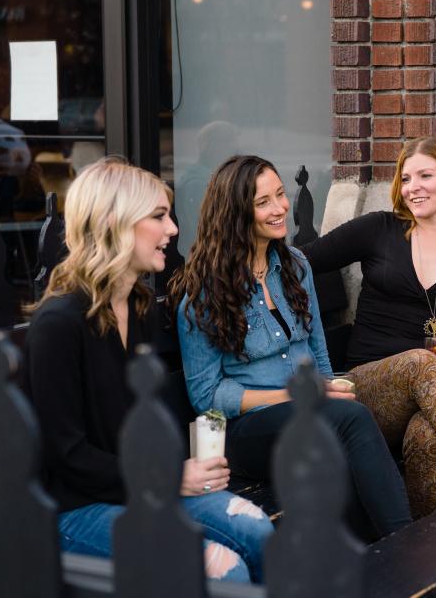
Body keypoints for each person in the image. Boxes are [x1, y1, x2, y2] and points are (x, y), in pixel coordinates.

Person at [25, 157, 272, 583]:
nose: (173, 230)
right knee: (222, 570)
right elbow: (66, 455)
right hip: (75, 509)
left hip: (146, 488)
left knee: (260, 532)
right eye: (158, 216)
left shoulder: (139, 306)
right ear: (114, 223)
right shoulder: (58, 324)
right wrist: (170, 475)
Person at [172, 154, 412, 540]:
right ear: (236, 214)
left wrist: (328, 387)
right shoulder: (203, 297)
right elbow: (207, 398)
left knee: (345, 439)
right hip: (246, 432)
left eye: (280, 195)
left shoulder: (296, 266)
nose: (281, 208)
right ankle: (408, 549)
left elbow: (317, 350)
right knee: (349, 424)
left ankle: (376, 568)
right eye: (263, 202)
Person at [298, 137, 436, 516]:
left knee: (427, 436)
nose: (413, 187)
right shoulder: (378, 229)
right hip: (369, 389)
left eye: (425, 175)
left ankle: (433, 555)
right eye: (406, 178)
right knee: (417, 361)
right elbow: (301, 261)